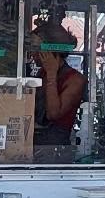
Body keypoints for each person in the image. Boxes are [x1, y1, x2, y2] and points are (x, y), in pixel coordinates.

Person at [29, 18, 86, 155]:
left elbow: (53, 113)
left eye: (36, 49)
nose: (32, 54)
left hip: (55, 150)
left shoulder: (75, 80)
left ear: (48, 50)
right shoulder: (41, 73)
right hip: (34, 145)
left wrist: (52, 75)